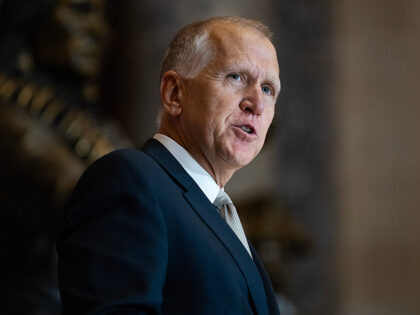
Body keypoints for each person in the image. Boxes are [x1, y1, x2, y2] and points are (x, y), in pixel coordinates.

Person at [57, 16, 281, 314]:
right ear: (174, 93)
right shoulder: (129, 181)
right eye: (236, 77)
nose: (257, 103)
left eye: (268, 89)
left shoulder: (221, 214)